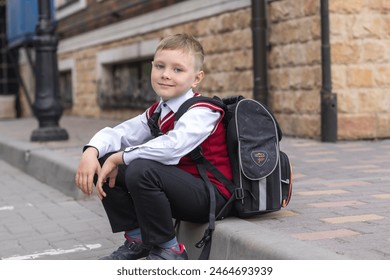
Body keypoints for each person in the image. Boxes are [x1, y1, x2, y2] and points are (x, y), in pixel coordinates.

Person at [75, 33, 232, 260]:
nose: (166, 75)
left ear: (196, 78)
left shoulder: (203, 111)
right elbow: (121, 133)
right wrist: (91, 151)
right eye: (160, 66)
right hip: (182, 192)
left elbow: (172, 147)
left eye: (178, 69)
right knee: (103, 160)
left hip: (213, 197)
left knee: (139, 167)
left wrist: (120, 157)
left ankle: (169, 250)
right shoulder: (159, 110)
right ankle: (138, 238)